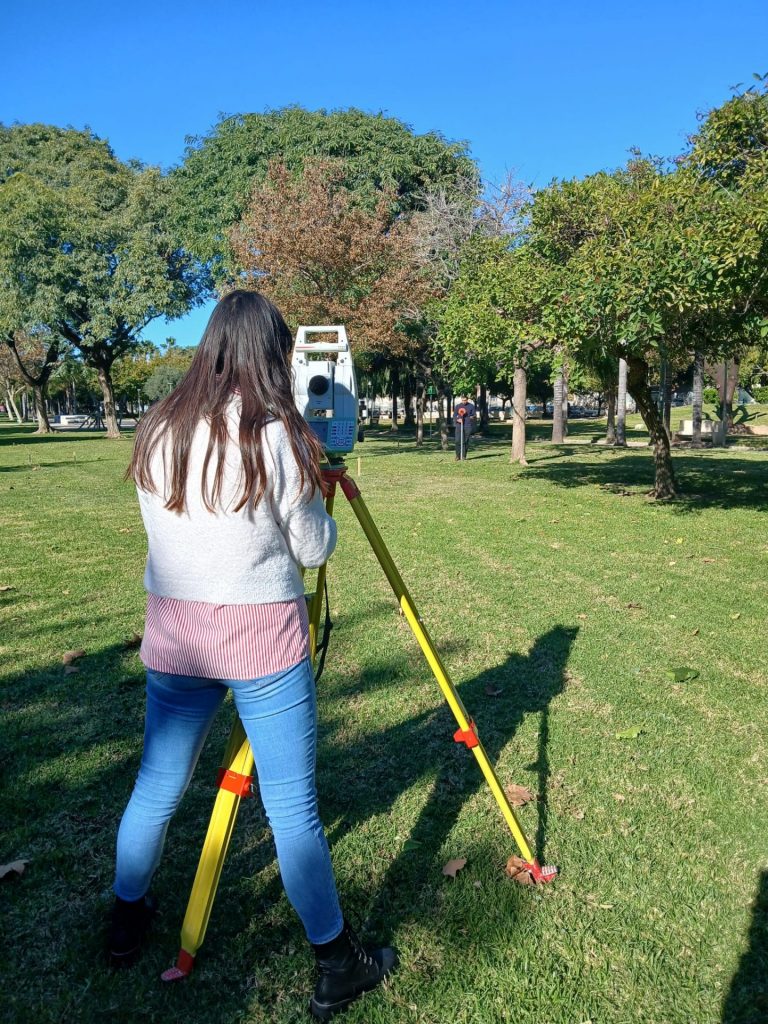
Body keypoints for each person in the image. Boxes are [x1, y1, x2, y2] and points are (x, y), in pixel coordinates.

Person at [109, 290, 397, 1019]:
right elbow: (312, 547)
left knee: (156, 786)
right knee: (292, 808)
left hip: (176, 630)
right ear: (272, 353)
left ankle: (124, 919)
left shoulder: (156, 426)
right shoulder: (276, 433)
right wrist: (319, 501)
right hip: (260, 636)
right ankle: (336, 961)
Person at [453, 394, 476, 460]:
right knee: (457, 441)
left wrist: (472, 417)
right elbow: (454, 415)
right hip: (459, 425)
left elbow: (474, 415)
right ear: (461, 400)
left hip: (467, 425)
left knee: (465, 441)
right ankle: (457, 456)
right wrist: (457, 419)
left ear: (467, 400)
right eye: (462, 400)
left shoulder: (471, 406)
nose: (464, 401)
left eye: (465, 400)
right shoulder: (458, 406)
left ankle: (463, 456)